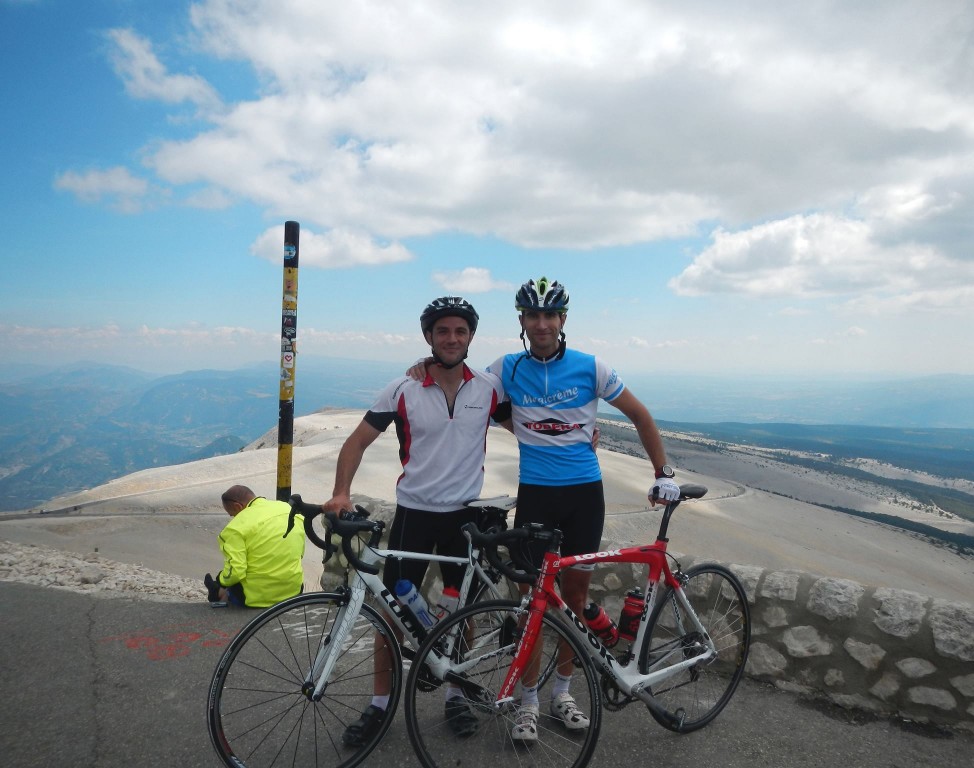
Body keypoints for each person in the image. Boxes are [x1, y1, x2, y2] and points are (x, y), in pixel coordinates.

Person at [417, 276, 680, 741]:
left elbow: (639, 415)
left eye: (550, 315)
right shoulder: (507, 367)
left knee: (573, 602)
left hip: (584, 496)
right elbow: (466, 382)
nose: (542, 323)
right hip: (536, 496)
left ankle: (563, 691)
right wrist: (424, 366)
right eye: (533, 315)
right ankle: (529, 701)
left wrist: (662, 472)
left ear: (562, 320)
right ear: (522, 320)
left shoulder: (591, 367)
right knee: (529, 606)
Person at [322, 296, 505, 747]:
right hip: (414, 514)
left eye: (460, 331)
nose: (451, 339)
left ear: (471, 338)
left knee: (461, 612)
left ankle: (455, 696)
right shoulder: (402, 389)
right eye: (442, 331)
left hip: (465, 515)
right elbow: (356, 441)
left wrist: (583, 435)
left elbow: (529, 426)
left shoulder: (488, 388)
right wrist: (341, 491)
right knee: (392, 613)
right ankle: (379, 704)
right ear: (429, 337)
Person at [203, 485, 305, 609]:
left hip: (256, 598)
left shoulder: (234, 528)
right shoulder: (288, 509)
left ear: (238, 506)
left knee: (228, 579)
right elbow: (300, 554)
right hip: (293, 592)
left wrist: (220, 580)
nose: (233, 518)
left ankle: (216, 592)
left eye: (232, 514)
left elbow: (236, 572)